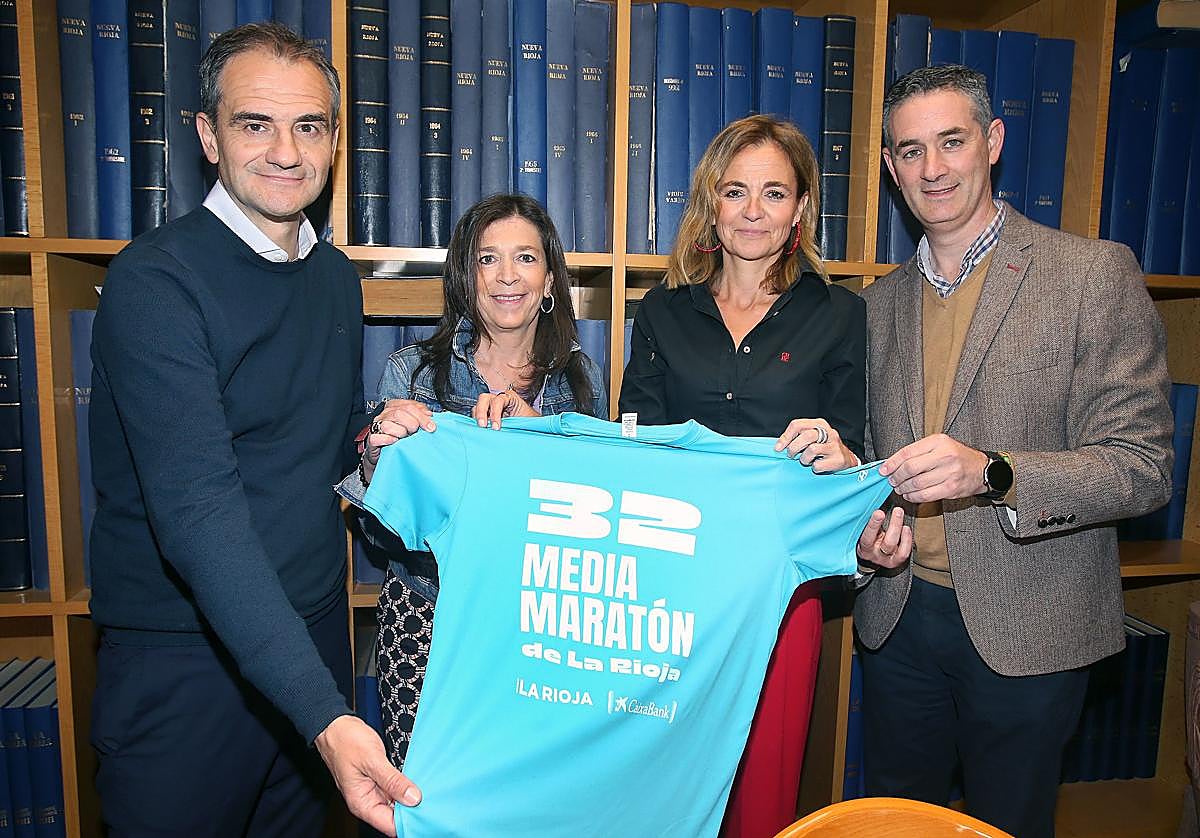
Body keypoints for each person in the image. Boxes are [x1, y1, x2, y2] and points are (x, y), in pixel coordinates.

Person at [87, 23, 416, 836]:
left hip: (309, 642)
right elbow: (198, 514)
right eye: (254, 124)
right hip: (184, 666)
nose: (285, 151)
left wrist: (378, 429)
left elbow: (318, 427)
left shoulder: (335, 277)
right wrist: (323, 715)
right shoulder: (154, 282)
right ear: (208, 136)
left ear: (335, 141)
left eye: (308, 126)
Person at [853, 64, 1173, 838]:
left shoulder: (1091, 274)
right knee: (900, 822)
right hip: (895, 619)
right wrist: (865, 529)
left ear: (992, 142)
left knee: (1010, 822)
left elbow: (1144, 466)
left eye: (951, 141)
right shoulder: (873, 304)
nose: (932, 168)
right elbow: (869, 461)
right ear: (891, 167)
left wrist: (994, 472)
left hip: (1032, 622)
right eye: (909, 150)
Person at [619, 114, 867, 838]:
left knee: (763, 793)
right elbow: (636, 439)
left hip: (781, 591)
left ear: (800, 209)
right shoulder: (663, 311)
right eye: (735, 192)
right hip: (670, 587)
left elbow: (854, 449)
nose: (753, 211)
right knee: (665, 779)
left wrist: (838, 452)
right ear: (711, 203)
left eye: (774, 193)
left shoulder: (841, 314)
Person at [343, 193, 607, 767]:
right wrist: (376, 464)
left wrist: (543, 437)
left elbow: (595, 517)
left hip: (542, 628)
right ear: (466, 276)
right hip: (430, 624)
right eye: (488, 259)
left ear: (550, 278)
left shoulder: (584, 380)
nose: (507, 276)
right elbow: (383, 537)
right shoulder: (410, 373)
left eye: (526, 258)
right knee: (426, 797)